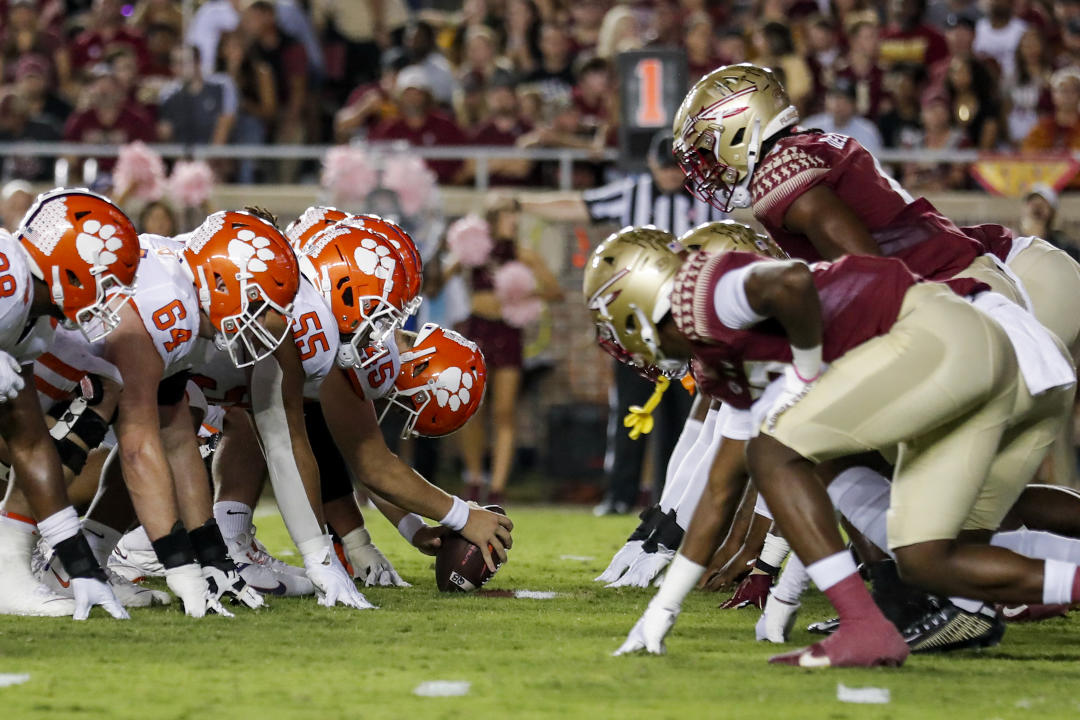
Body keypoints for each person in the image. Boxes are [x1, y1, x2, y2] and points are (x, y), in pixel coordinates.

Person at [596, 224, 1075, 667]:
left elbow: (792, 284)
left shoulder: (706, 291)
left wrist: (806, 368)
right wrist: (663, 609)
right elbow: (722, 492)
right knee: (928, 557)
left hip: (949, 333)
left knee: (779, 450)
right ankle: (884, 620)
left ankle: (865, 624)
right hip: (994, 354)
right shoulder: (728, 363)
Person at [519, 131, 722, 515]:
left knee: (684, 415)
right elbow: (577, 205)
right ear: (650, 165)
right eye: (663, 169)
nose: (669, 177)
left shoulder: (706, 199)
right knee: (630, 407)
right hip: (637, 319)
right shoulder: (631, 193)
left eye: (674, 170)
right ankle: (620, 494)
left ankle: (673, 498)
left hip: (686, 323)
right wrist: (523, 201)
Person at [0, 189, 140, 619]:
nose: (110, 295)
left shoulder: (32, 324)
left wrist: (79, 564)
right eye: (108, 279)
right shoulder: (9, 278)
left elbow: (30, 444)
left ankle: (8, 572)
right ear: (71, 267)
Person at [427, 198, 563, 505]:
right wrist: (439, 254)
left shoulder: (523, 255)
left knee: (505, 411)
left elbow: (555, 292)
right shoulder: (474, 254)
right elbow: (437, 285)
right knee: (472, 407)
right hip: (477, 332)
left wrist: (526, 292)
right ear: (493, 219)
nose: (512, 219)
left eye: (515, 213)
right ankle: (474, 478)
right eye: (506, 214)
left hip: (508, 334)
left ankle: (498, 487)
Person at [158, 45, 237, 146]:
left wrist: (206, 158)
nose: (177, 68)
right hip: (183, 159)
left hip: (215, 157)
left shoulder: (222, 87)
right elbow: (167, 137)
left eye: (183, 62)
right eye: (174, 63)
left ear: (197, 62)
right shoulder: (168, 95)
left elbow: (225, 126)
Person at [802, 78, 883, 156]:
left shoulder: (867, 130)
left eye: (844, 99)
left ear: (854, 104)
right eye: (834, 98)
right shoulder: (811, 126)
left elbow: (874, 164)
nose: (838, 104)